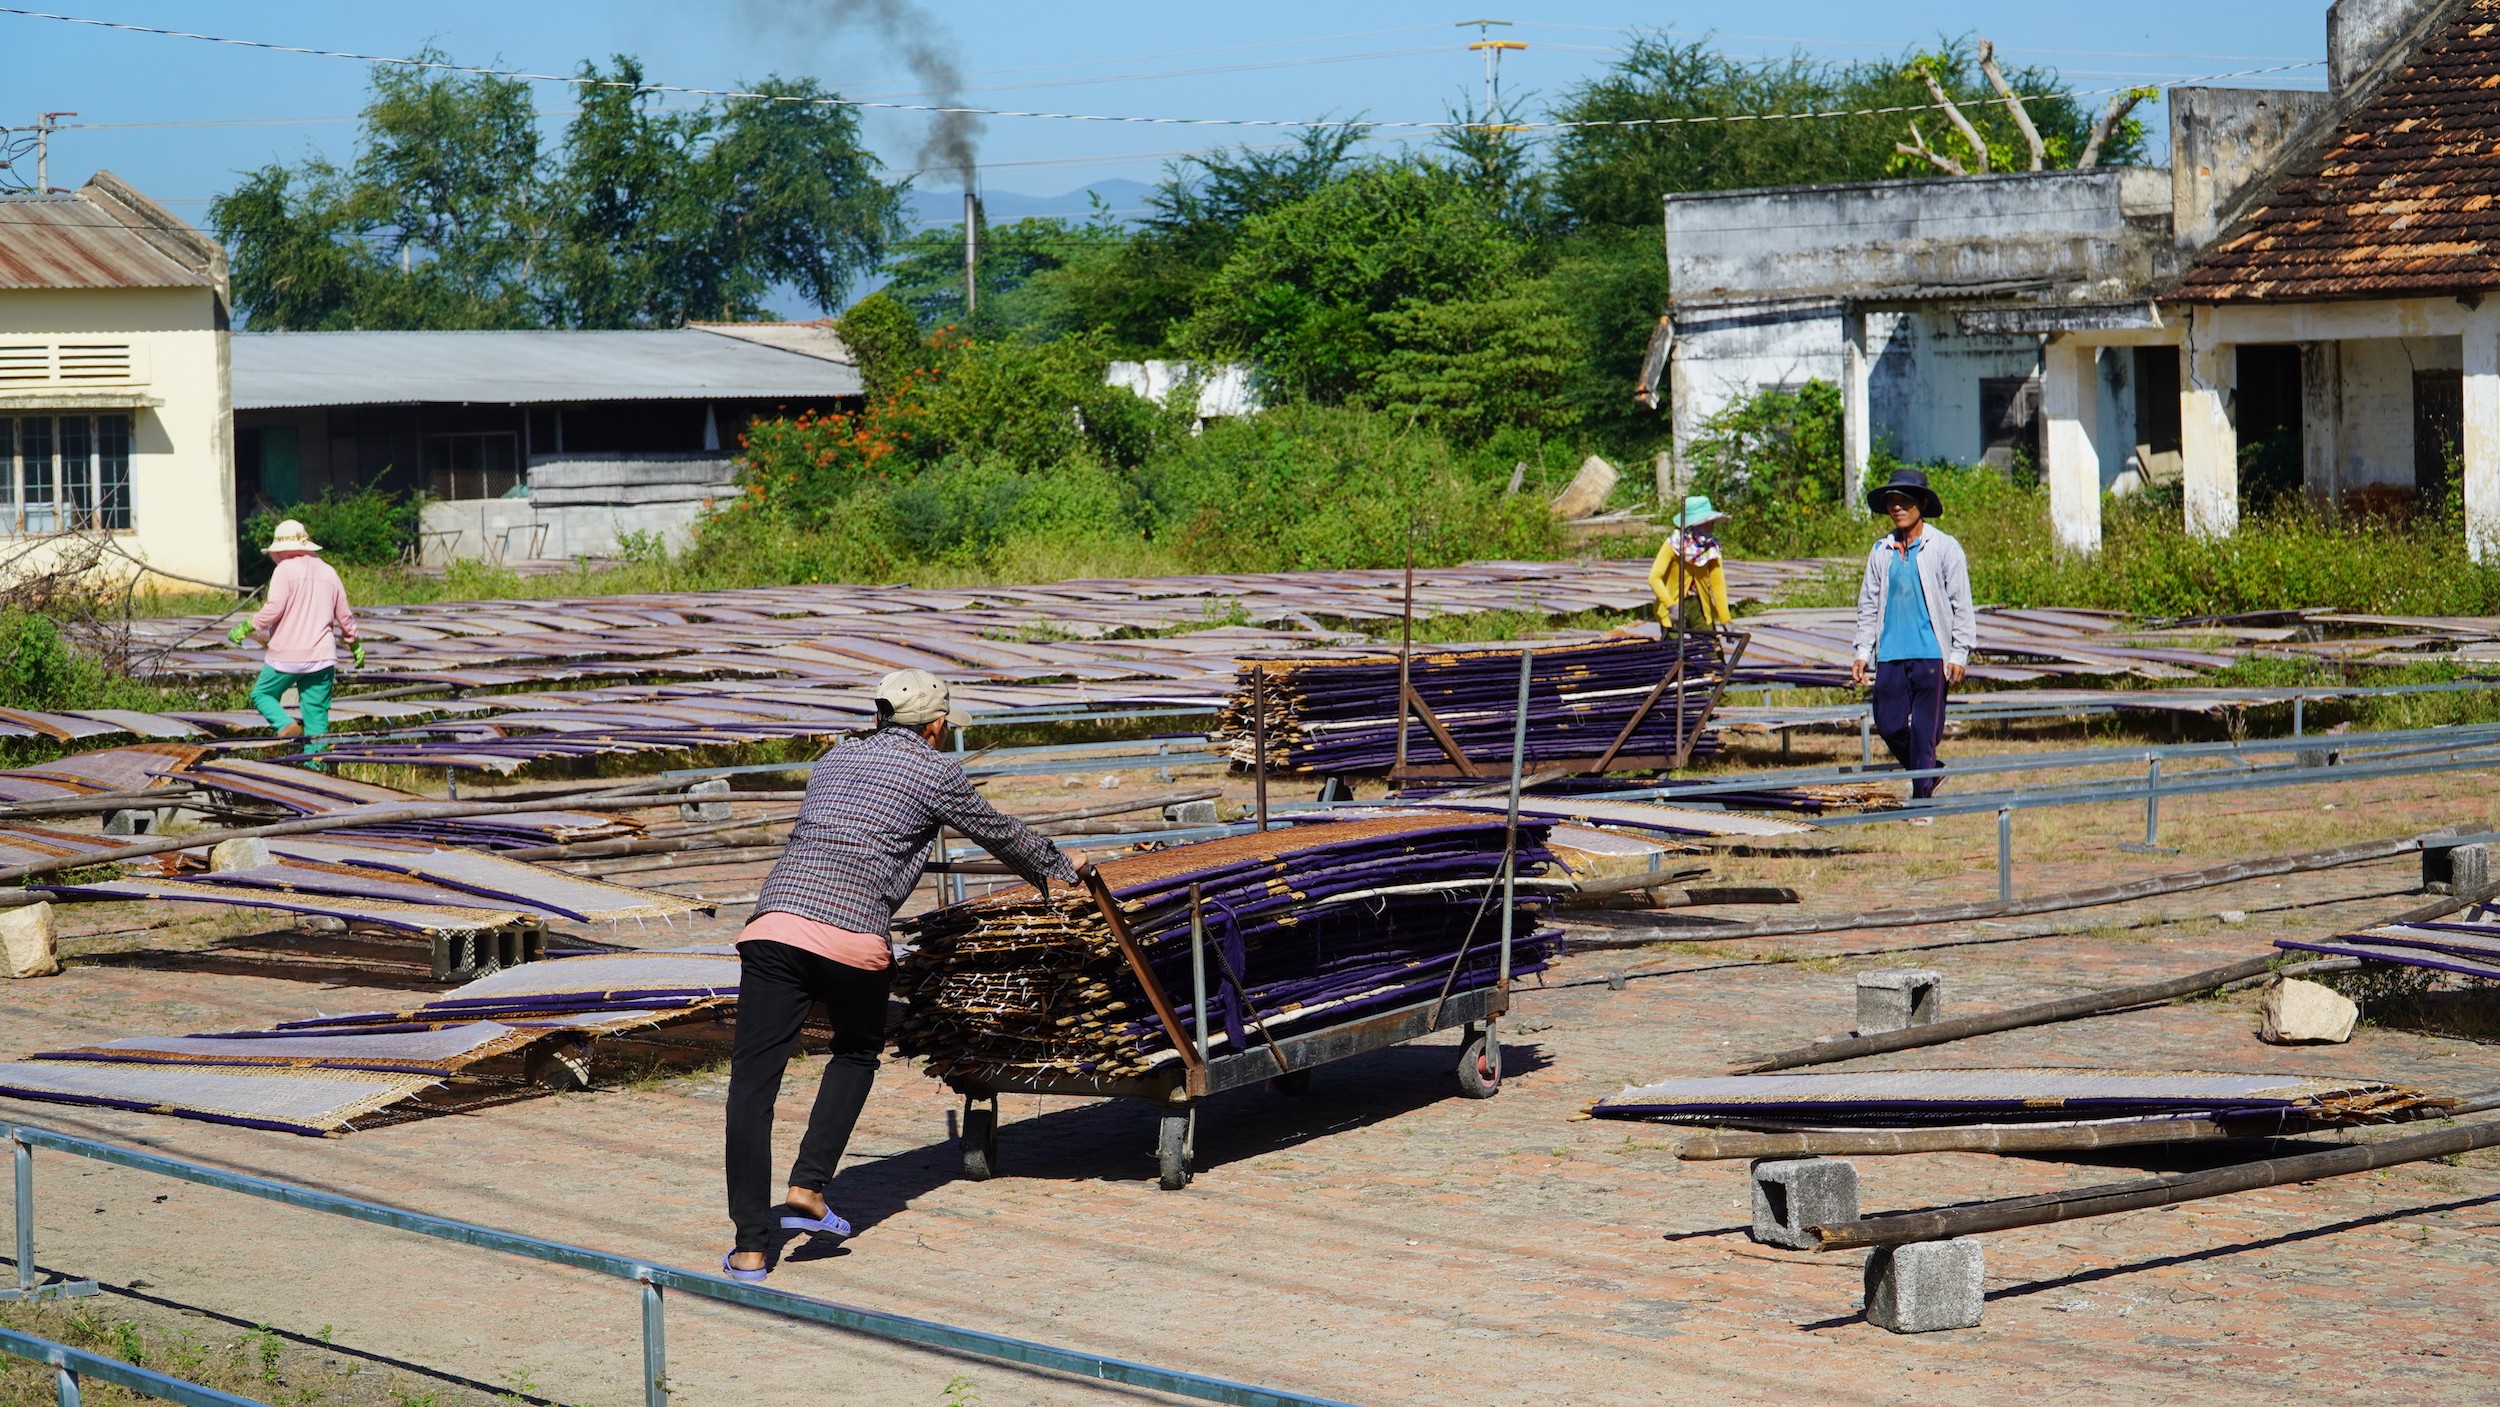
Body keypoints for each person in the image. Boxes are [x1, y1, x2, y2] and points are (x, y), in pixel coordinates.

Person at [722, 668, 1077, 1283]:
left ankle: (751, 1247)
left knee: (752, 1087)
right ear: (936, 725)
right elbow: (999, 833)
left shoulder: (837, 756)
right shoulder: (934, 770)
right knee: (857, 1051)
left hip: (774, 924)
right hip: (853, 933)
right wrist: (1058, 867)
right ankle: (808, 1185)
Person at [1850, 469, 1975, 807]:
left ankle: (1922, 802)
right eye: (1892, 502)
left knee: (1925, 730)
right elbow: (1869, 603)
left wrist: (1959, 654)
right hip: (1890, 653)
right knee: (1889, 725)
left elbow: (1960, 603)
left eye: (1904, 501)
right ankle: (1929, 769)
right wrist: (1863, 651)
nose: (1897, 508)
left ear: (1921, 503)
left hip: (1931, 653)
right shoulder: (1881, 550)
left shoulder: (1944, 548)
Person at [227, 519, 362, 751]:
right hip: (322, 655)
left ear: (282, 551)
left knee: (262, 694)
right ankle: (316, 769)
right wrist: (354, 643)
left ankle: (285, 724)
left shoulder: (284, 570)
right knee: (316, 714)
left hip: (287, 655)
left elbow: (274, 608)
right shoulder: (329, 572)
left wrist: (247, 626)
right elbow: (344, 615)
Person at [1649, 494, 1734, 632]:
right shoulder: (1673, 544)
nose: (1711, 527)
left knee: (1711, 649)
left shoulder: (1711, 549)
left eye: (1711, 522)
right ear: (1693, 525)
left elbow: (1717, 584)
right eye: (1706, 523)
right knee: (1674, 651)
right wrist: (1671, 606)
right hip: (1674, 606)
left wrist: (1725, 618)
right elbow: (1654, 578)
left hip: (1700, 605)